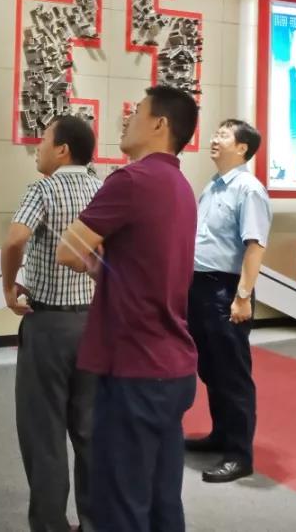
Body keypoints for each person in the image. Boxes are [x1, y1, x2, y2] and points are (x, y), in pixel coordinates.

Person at [56, 85, 200, 532]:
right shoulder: (181, 186)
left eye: (137, 112)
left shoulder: (131, 180)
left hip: (134, 366)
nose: (127, 119)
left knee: (121, 503)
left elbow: (67, 250)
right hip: (171, 365)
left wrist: (96, 261)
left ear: (160, 124)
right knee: (161, 500)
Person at [0, 115, 102, 532]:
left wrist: (9, 286)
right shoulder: (101, 188)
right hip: (95, 326)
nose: (38, 148)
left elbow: (15, 238)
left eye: (43, 140)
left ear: (62, 150)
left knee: (44, 432)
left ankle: (50, 525)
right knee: (90, 429)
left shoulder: (42, 189)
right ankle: (95, 522)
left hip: (48, 327)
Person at [184, 119, 271, 483]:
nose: (215, 140)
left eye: (224, 135)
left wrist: (243, 297)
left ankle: (239, 455)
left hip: (227, 290)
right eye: (216, 133)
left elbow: (255, 245)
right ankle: (221, 435)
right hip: (200, 288)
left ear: (242, 148)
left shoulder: (249, 190)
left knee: (232, 375)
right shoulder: (213, 186)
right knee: (211, 369)